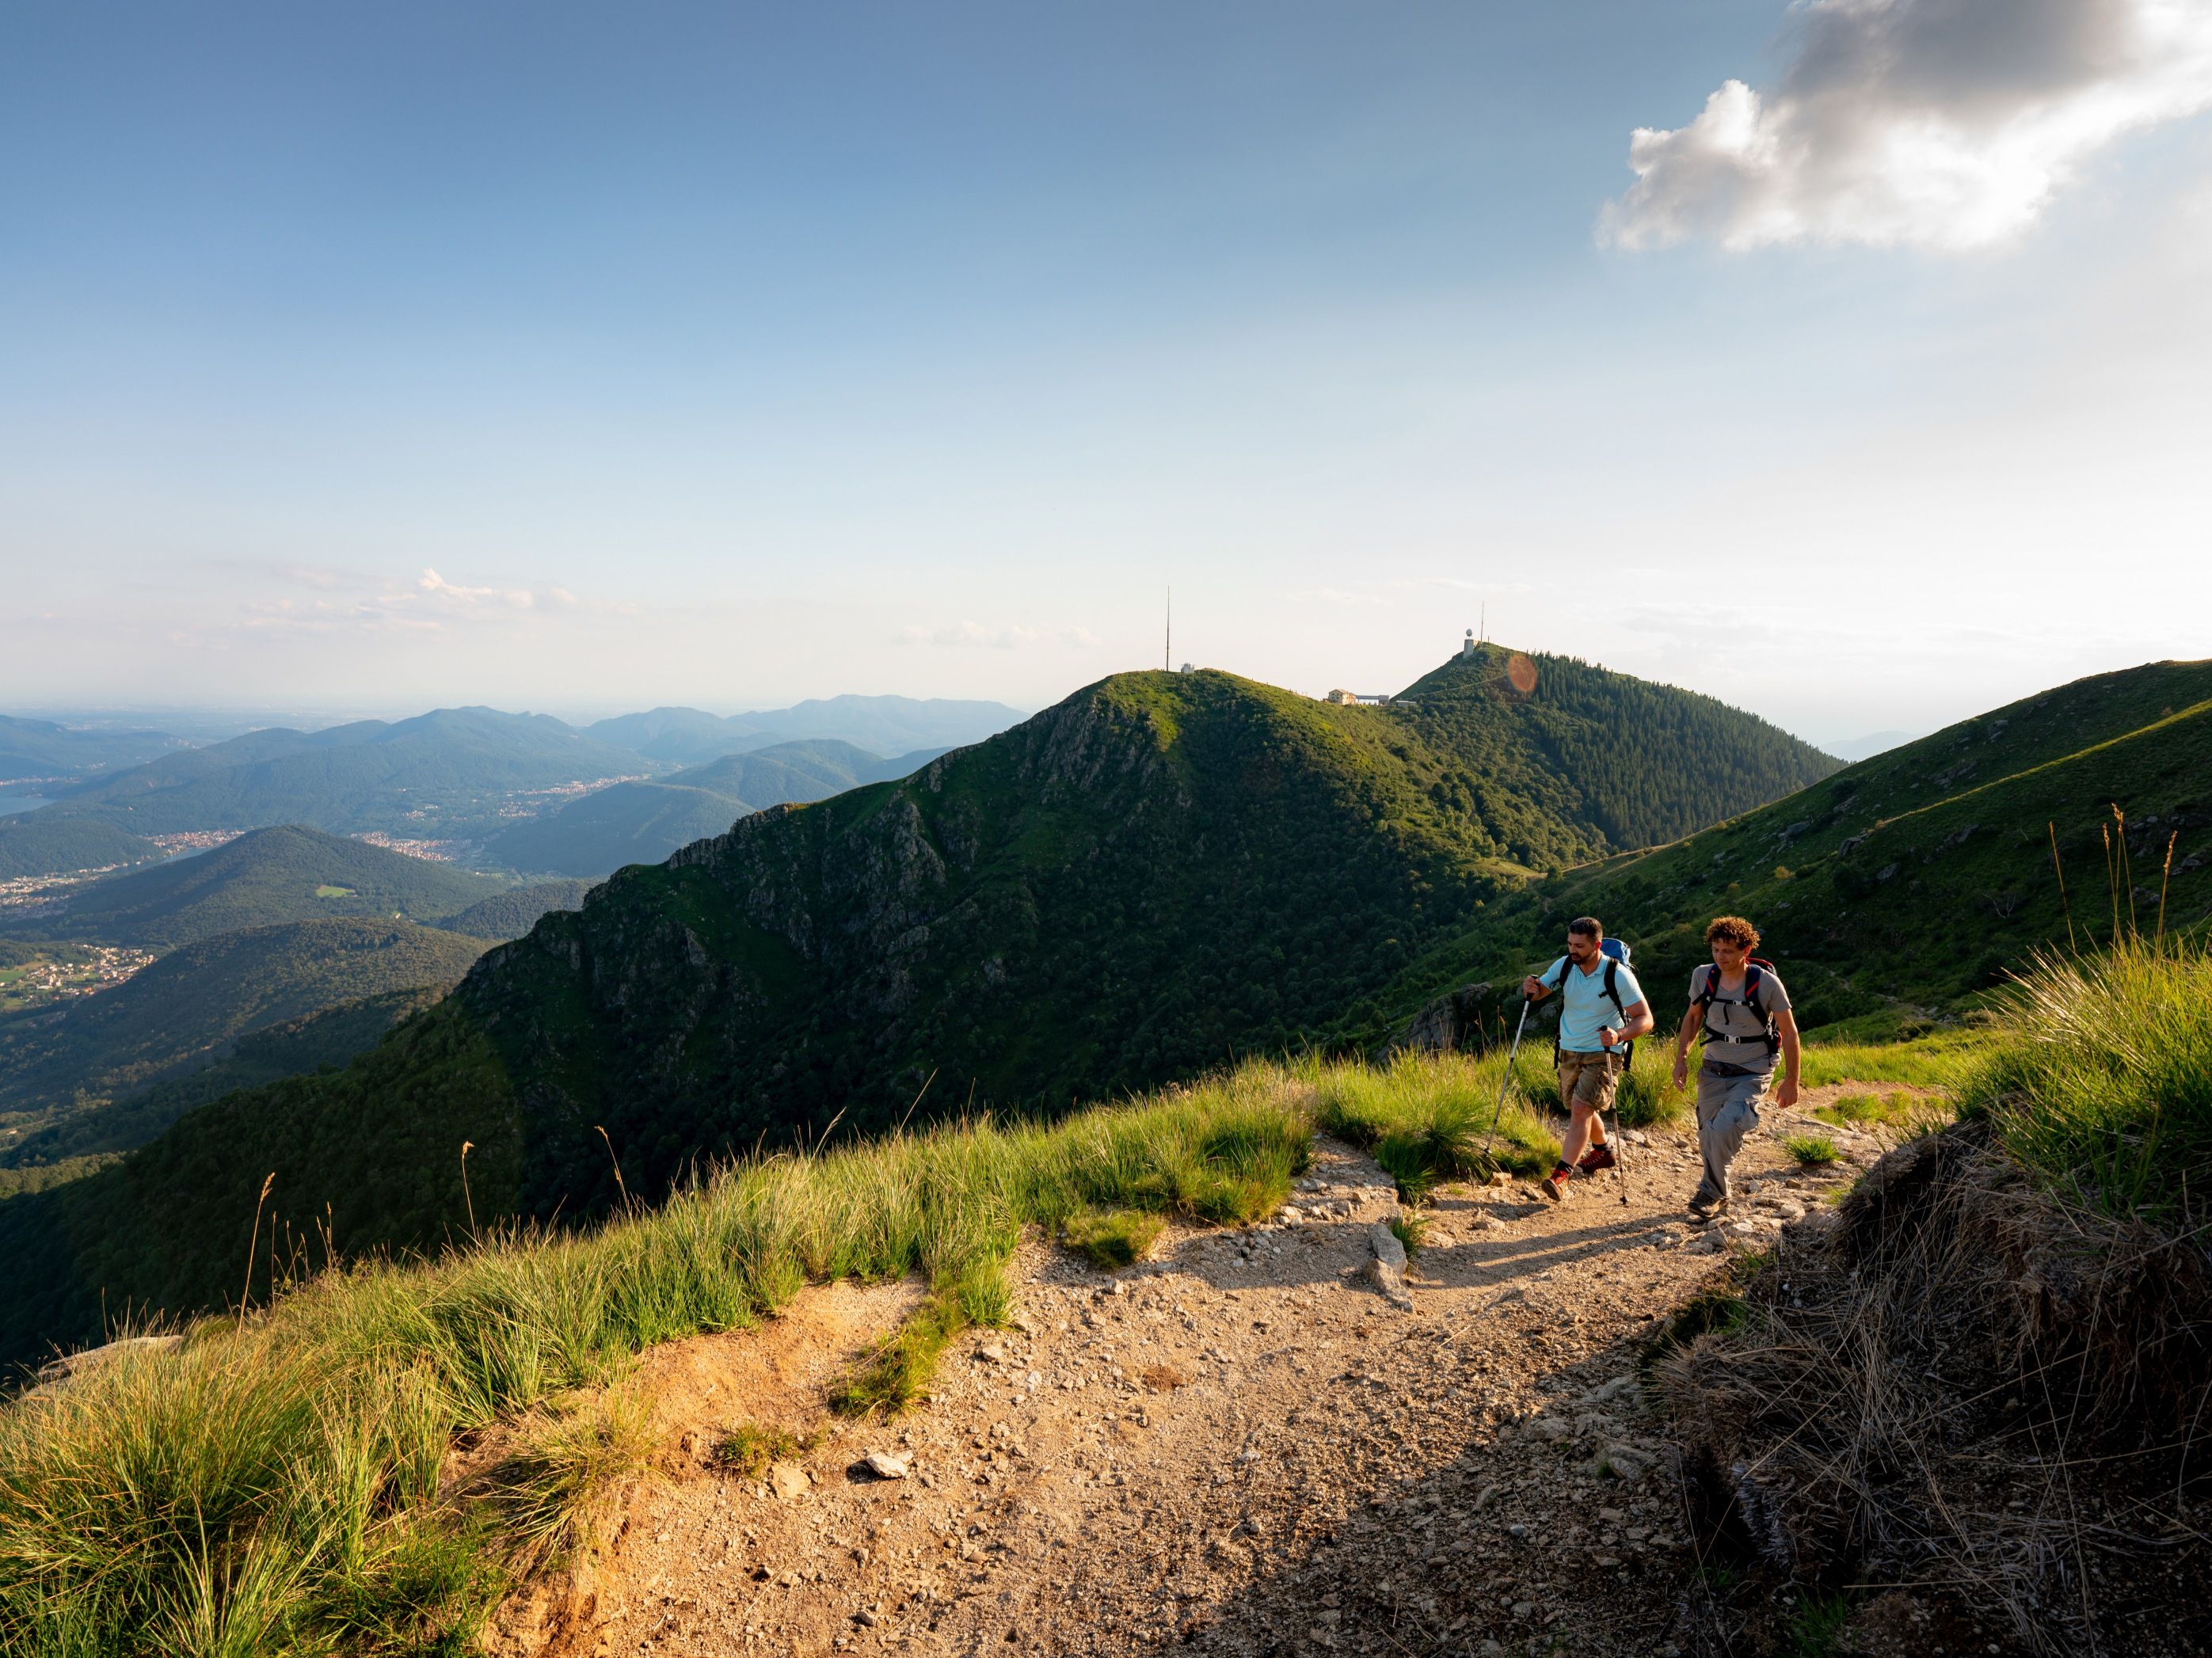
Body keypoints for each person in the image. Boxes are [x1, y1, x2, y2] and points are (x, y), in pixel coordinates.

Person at [1670, 915, 1800, 1219]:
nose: (1720, 957)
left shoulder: (1766, 984)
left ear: (1745, 950)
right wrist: (1682, 1059)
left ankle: (1710, 1193)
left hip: (1754, 1070)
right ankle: (1717, 1192)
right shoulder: (1703, 976)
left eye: (1727, 951)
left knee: (1725, 1127)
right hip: (1714, 1067)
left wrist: (1792, 1079)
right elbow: (1692, 1018)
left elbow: (1791, 1032)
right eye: (1715, 950)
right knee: (1708, 1134)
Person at [1521, 917, 1654, 1203]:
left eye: (1579, 946)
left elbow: (1646, 1019)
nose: (1573, 950)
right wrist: (1532, 988)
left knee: (1580, 1109)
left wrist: (1619, 1035)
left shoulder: (1617, 975)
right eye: (1570, 944)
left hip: (1603, 1052)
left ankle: (1561, 1175)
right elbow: (1542, 991)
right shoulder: (1566, 965)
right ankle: (1603, 1151)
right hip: (1569, 1049)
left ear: (1597, 945)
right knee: (1582, 1107)